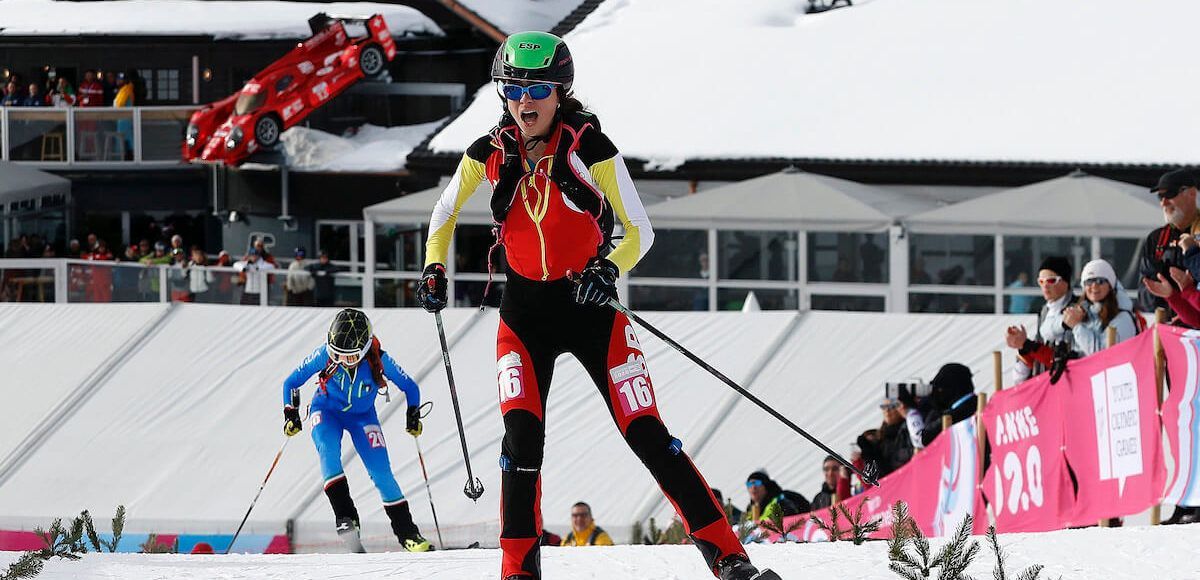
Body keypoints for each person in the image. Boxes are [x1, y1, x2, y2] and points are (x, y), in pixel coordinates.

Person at [415, 31, 774, 580]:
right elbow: (441, 216)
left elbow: (639, 232)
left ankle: (729, 556)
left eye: (538, 89)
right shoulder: (487, 153)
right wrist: (433, 268)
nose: (525, 102)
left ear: (561, 92)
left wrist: (608, 268)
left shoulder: (591, 149)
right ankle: (517, 570)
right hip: (523, 318)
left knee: (647, 433)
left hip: (591, 309)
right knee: (521, 440)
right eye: (513, 89)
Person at [281, 309, 431, 552]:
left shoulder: (379, 359)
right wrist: (290, 413)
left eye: (348, 357)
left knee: (382, 473)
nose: (340, 360)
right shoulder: (324, 355)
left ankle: (407, 534)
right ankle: (346, 517)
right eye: (336, 354)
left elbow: (410, 387)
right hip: (326, 410)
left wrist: (412, 415)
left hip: (362, 416)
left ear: (362, 351)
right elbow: (291, 382)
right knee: (328, 453)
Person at [1004, 257, 1076, 384]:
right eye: (1041, 281)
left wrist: (1027, 345)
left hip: (1067, 384)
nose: (1045, 286)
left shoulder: (1075, 311)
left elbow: (1068, 361)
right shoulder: (1045, 311)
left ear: (1065, 282)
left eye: (1051, 280)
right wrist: (1022, 347)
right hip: (1045, 385)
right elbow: (1039, 353)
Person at [1139, 168, 1200, 315]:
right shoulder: (1157, 239)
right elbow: (1144, 298)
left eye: (1170, 194)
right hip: (1169, 327)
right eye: (1160, 197)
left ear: (1192, 193)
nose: (1164, 202)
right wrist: (1160, 282)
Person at [1064, 259, 1138, 355]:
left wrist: (1077, 327)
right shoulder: (1085, 313)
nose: (1094, 286)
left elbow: (1101, 354)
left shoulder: (1123, 317)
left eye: (1100, 281)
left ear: (1110, 286)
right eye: (1089, 281)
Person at [916, 363, 977, 446]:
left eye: (939, 389)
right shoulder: (981, 404)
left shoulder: (954, 415)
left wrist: (912, 412)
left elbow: (924, 438)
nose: (937, 393)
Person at [857, 396, 915, 479]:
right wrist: (867, 451)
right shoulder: (880, 436)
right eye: (884, 407)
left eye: (891, 406)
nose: (887, 410)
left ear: (900, 407)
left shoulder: (909, 428)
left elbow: (894, 465)